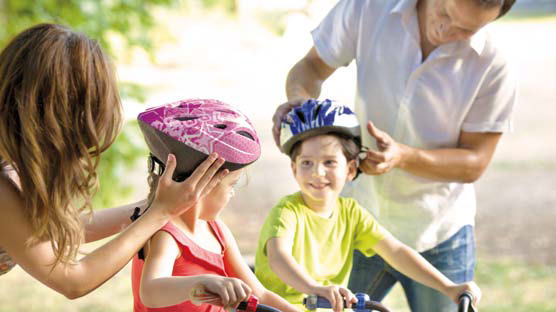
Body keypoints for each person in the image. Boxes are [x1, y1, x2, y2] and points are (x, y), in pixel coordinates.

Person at [271, 0, 517, 311]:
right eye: (445, 13)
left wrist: (403, 157)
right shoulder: (369, 7)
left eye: (466, 30)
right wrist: (301, 106)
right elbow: (310, 67)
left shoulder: (494, 64)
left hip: (438, 231)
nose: (446, 30)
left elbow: (474, 162)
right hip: (356, 221)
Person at [0, 24, 228, 298]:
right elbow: (72, 280)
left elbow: (55, 230)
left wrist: (154, 205)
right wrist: (160, 213)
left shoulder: (10, 158)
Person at [256, 99, 481, 312]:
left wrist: (448, 287)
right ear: (294, 169)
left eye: (329, 162)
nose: (317, 172)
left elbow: (395, 251)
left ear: (351, 170)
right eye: (307, 163)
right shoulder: (287, 213)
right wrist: (315, 288)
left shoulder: (351, 214)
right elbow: (279, 257)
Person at [131, 98, 299, 312]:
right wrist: (200, 283)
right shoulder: (167, 234)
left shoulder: (218, 232)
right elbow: (151, 292)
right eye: (231, 184)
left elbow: (261, 295)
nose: (233, 193)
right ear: (204, 184)